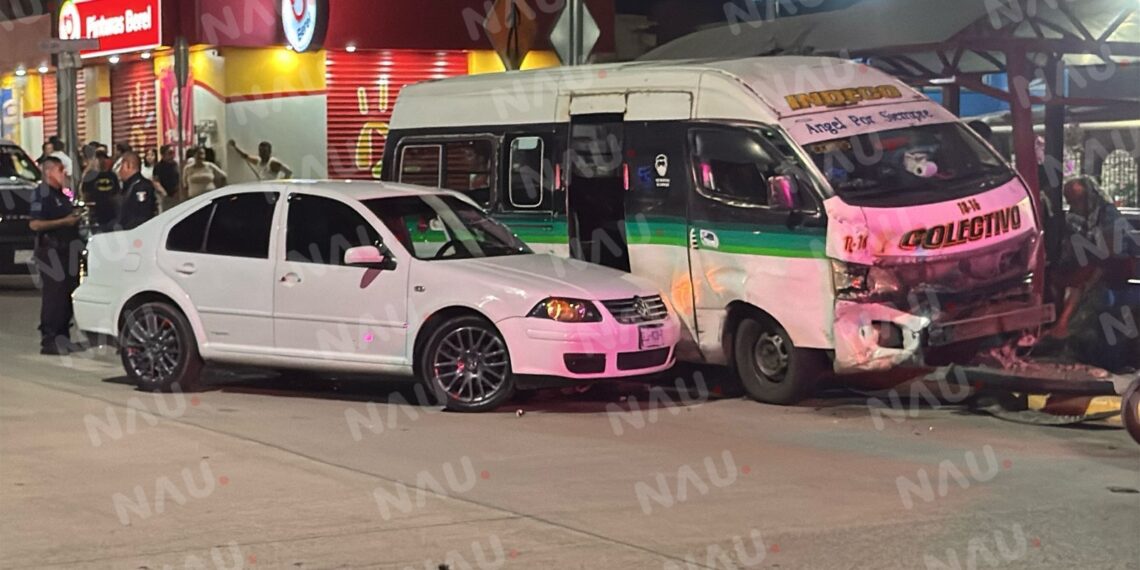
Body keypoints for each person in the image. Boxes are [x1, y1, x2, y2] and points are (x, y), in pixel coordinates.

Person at [28, 156, 85, 355]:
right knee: (54, 297)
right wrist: (64, 222)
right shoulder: (41, 193)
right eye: (61, 170)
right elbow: (35, 224)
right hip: (51, 251)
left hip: (67, 251)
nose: (65, 174)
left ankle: (63, 336)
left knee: (67, 294)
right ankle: (50, 338)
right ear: (49, 172)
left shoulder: (61, 194)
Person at [80, 149, 122, 233]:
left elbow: (117, 194)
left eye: (103, 158)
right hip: (96, 215)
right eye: (98, 158)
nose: (101, 161)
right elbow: (85, 194)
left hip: (111, 214)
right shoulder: (90, 176)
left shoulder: (112, 176)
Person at [115, 151, 159, 230]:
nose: (119, 170)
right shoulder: (128, 186)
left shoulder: (141, 187)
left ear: (128, 166)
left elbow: (142, 215)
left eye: (121, 166)